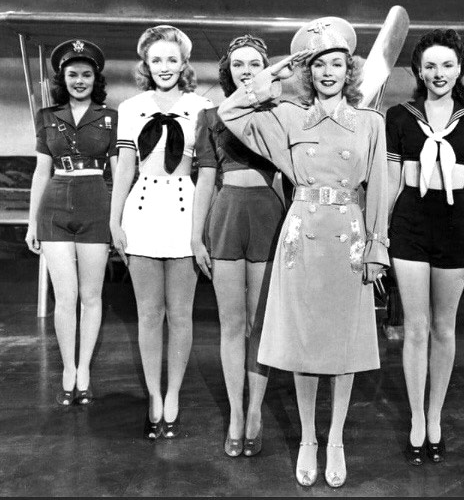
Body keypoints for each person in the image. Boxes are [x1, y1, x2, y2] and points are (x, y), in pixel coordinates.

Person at [217, 17, 388, 488]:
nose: (328, 73)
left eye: (337, 64)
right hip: (302, 234)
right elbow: (230, 111)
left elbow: (379, 188)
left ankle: (336, 439)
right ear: (307, 72)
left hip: (349, 237)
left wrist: (377, 247)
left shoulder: (370, 123)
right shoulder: (289, 116)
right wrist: (271, 74)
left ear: (349, 70)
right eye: (318, 65)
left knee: (345, 342)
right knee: (304, 341)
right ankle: (309, 438)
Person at [385, 29, 464, 465]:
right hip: (410, 223)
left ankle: (435, 417)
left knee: (444, 328)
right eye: (429, 65)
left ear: (460, 68)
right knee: (415, 327)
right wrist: (379, 233)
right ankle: (415, 418)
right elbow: (391, 180)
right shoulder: (399, 116)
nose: (438, 73)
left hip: (455, 224)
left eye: (447, 64)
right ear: (418, 71)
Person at [109, 25, 212, 439]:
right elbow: (124, 169)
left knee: (181, 315)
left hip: (185, 214)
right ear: (146, 65)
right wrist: (115, 221)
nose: (164, 67)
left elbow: (208, 172)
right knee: (149, 314)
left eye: (172, 59)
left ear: (184, 63)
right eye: (156, 60)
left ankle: (173, 395)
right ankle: (154, 395)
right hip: (142, 213)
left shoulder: (202, 106)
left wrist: (200, 232)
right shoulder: (131, 108)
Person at [192, 34, 285, 457]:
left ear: (266, 69)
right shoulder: (210, 116)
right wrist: (196, 235)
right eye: (238, 64)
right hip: (226, 216)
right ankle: (234, 413)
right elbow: (205, 179)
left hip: (268, 217)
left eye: (254, 64)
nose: (246, 71)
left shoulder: (279, 114)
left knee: (258, 325)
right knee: (231, 326)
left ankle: (255, 413)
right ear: (227, 71)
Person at [26, 39, 117, 407]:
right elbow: (40, 171)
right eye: (73, 74)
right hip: (55, 208)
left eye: (87, 74)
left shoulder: (111, 117)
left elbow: (118, 174)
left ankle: (85, 370)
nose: (80, 80)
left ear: (96, 79)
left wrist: (117, 221)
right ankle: (68, 369)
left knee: (92, 296)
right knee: (65, 297)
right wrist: (31, 223)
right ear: (62, 79)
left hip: (96, 205)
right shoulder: (46, 116)